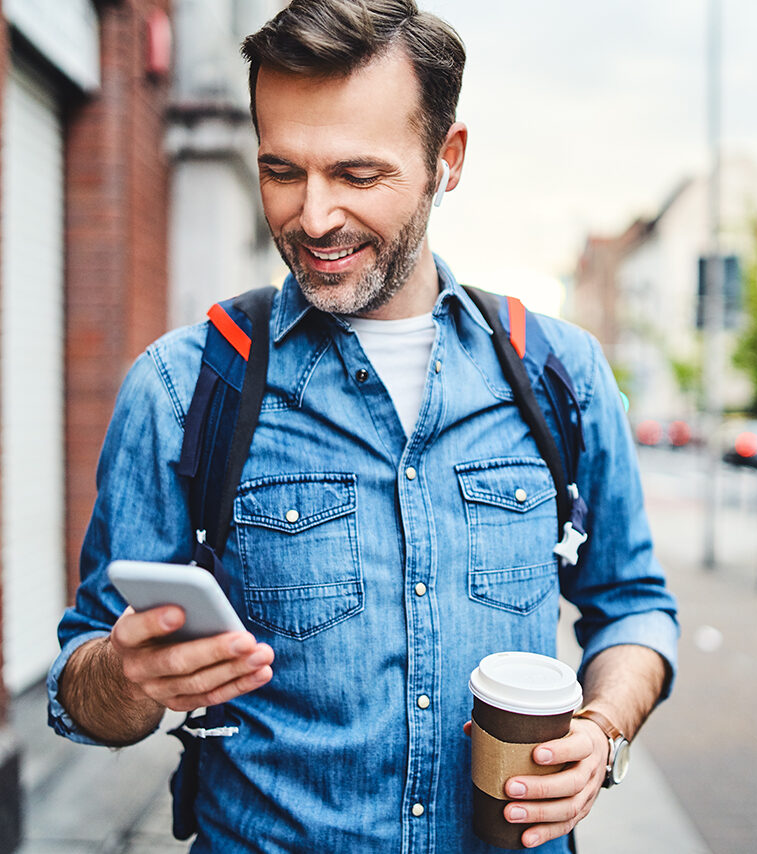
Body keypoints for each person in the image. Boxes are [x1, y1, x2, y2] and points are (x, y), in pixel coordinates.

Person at [48, 2, 679, 851]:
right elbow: (80, 692)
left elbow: (635, 606)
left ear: (445, 161)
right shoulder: (181, 389)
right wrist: (126, 678)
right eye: (282, 171)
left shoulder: (558, 375)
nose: (312, 218)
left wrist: (603, 734)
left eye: (356, 175)